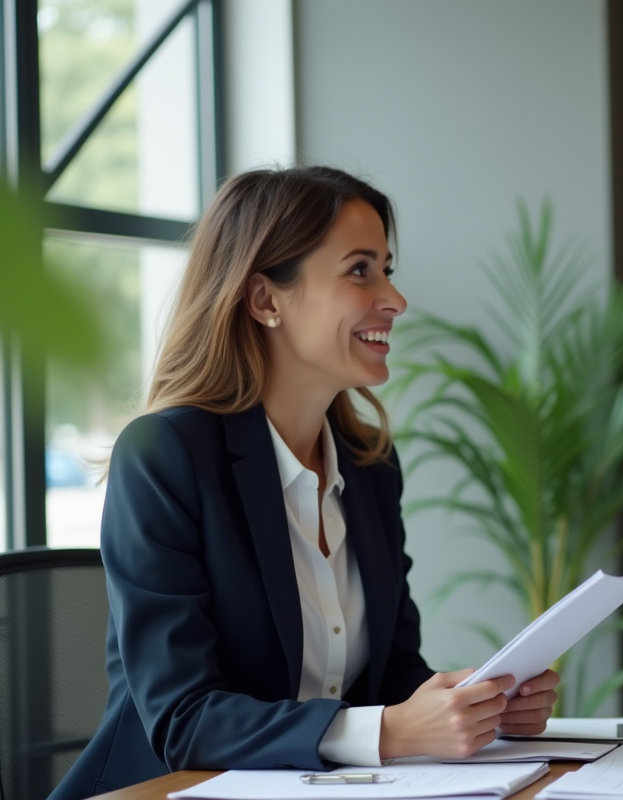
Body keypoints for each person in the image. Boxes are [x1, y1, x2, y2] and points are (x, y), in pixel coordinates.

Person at [52, 167, 559, 800]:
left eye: (387, 269)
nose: (394, 300)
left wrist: (473, 705)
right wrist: (393, 732)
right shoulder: (164, 456)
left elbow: (391, 675)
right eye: (359, 270)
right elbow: (183, 721)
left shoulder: (369, 463)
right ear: (266, 300)